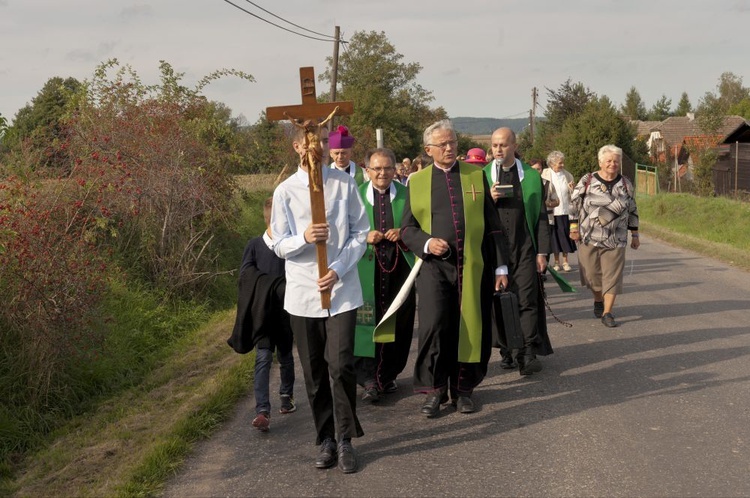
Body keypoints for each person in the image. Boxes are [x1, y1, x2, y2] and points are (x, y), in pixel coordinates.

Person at [271, 124, 370, 473]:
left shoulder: (343, 184)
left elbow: (361, 232)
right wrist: (304, 237)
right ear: (297, 147)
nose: (314, 150)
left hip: (341, 289)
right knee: (313, 372)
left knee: (341, 364)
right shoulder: (285, 191)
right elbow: (278, 243)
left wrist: (340, 268)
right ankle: (325, 437)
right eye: (306, 143)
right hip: (303, 292)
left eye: (320, 144)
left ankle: (345, 438)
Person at [400, 119, 509, 417]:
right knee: (436, 327)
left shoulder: (476, 176)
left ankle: (463, 390)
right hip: (434, 269)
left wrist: (501, 268)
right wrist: (426, 242)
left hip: (472, 266)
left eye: (453, 143)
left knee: (470, 328)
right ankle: (435, 391)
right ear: (428, 149)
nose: (450, 148)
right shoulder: (418, 181)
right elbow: (407, 229)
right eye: (443, 144)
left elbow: (494, 226)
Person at [485, 128, 555, 375]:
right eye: (494, 145)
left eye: (503, 145)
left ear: (514, 145)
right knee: (501, 302)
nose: (498, 150)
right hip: (494, 251)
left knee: (526, 301)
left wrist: (542, 252)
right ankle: (507, 350)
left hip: (525, 248)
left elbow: (541, 218)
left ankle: (527, 353)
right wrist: (487, 200)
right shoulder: (482, 177)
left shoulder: (531, 177)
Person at [227, 197, 296, 432]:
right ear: (270, 220)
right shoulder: (254, 245)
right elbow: (245, 275)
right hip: (262, 313)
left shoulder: (290, 244)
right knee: (263, 358)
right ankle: (262, 410)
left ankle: (286, 396)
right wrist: (272, 285)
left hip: (286, 311)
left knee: (286, 356)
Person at [354, 147, 416, 403]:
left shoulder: (408, 194)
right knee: (365, 321)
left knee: (398, 321)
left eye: (388, 168)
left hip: (399, 268)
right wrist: (364, 236)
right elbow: (343, 230)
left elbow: (421, 225)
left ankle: (388, 375)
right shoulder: (356, 197)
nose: (382, 173)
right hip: (366, 270)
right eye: (377, 168)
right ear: (367, 171)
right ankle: (368, 379)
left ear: (395, 170)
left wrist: (402, 232)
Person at [569, 144, 640, 328]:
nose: (612, 164)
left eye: (616, 161)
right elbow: (574, 204)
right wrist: (573, 227)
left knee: (612, 276)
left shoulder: (625, 184)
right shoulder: (588, 180)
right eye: (608, 160)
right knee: (591, 274)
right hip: (589, 236)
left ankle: (608, 312)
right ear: (600, 162)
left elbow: (632, 209)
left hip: (616, 239)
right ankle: (598, 299)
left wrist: (635, 234)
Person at [541, 151, 576, 272]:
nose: (562, 165)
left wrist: (572, 190)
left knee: (565, 236)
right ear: (552, 163)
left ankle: (565, 262)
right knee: (554, 237)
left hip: (565, 210)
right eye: (560, 163)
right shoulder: (545, 174)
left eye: (562, 162)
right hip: (552, 211)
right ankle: (556, 262)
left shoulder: (568, 175)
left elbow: (573, 194)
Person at [530, 158, 560, 281]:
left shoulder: (548, 183)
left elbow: (557, 201)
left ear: (542, 170)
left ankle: (542, 270)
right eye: (534, 169)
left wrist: (548, 204)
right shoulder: (526, 184)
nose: (536, 171)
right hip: (532, 219)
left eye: (538, 169)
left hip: (548, 218)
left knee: (545, 245)